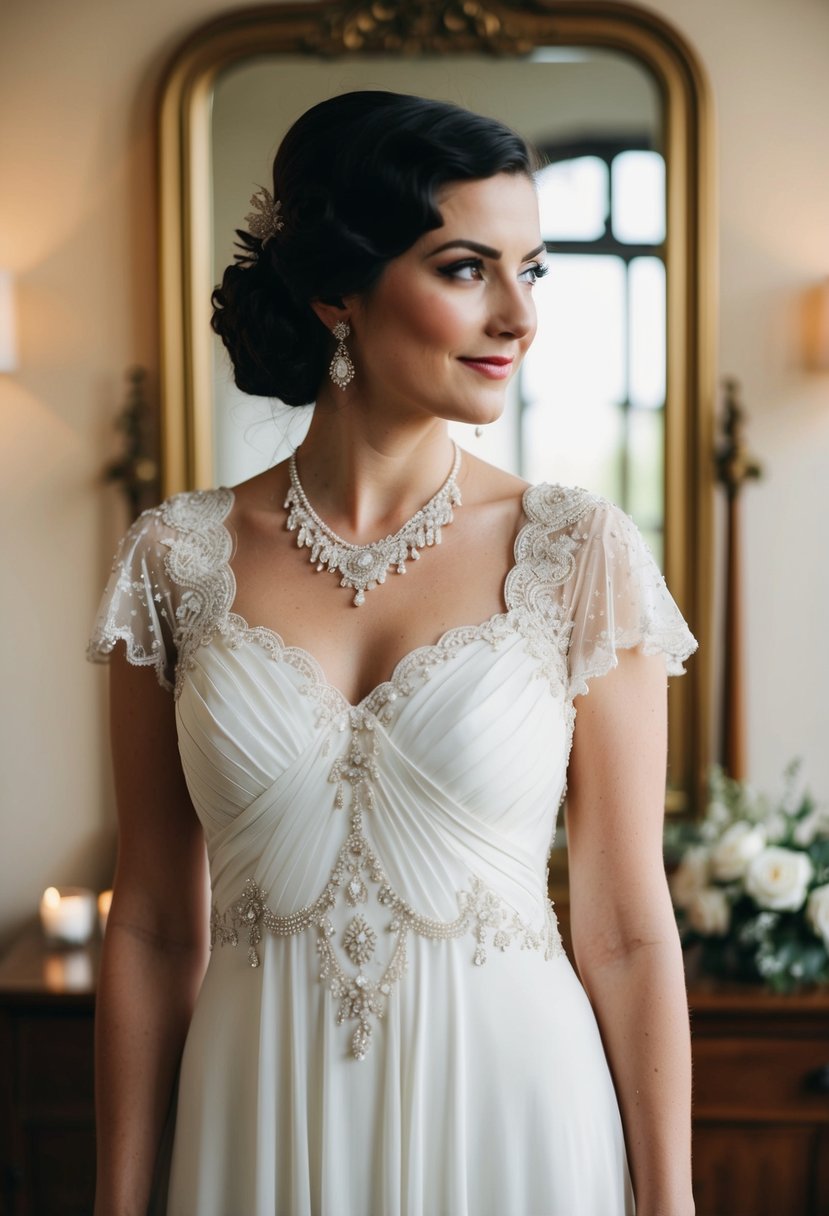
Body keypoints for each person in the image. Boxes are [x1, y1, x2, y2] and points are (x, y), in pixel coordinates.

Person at [88, 90, 697, 1216]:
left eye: (535, 269)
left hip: (513, 1121)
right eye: (468, 267)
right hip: (253, 1120)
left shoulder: (575, 551)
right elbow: (156, 925)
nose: (518, 315)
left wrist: (672, 1203)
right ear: (337, 292)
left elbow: (622, 930)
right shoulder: (175, 558)